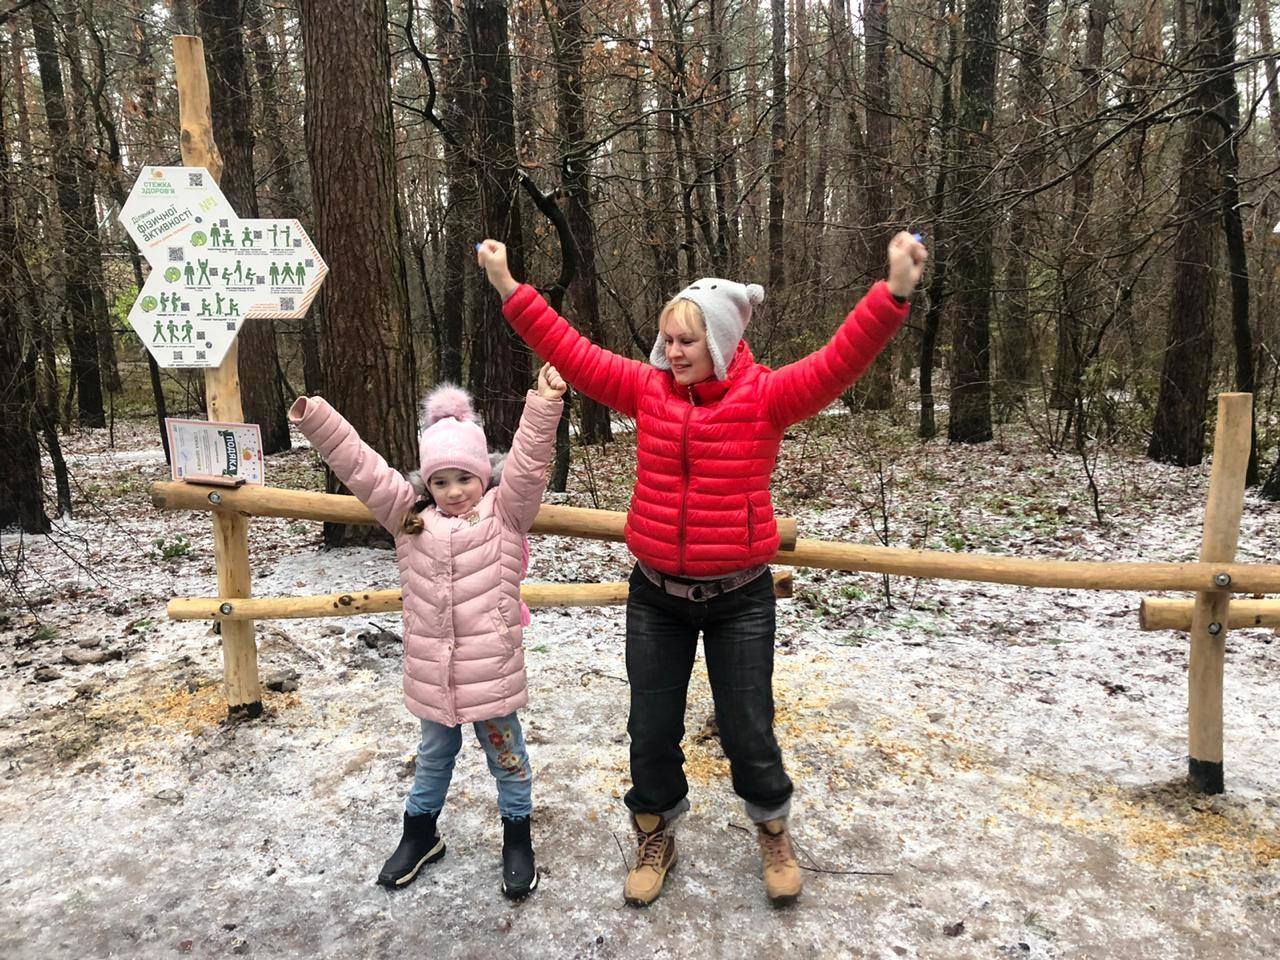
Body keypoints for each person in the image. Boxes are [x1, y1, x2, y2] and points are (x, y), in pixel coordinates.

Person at [477, 234, 926, 907]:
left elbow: (838, 364)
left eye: (686, 340)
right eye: (667, 339)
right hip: (655, 596)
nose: (672, 351)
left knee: (748, 724)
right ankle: (655, 830)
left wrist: (890, 296)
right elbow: (572, 350)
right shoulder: (648, 391)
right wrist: (509, 285)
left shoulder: (766, 398)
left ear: (717, 342)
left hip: (741, 597)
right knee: (650, 726)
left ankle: (772, 829)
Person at [287, 365, 567, 899]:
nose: (454, 490)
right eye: (441, 480)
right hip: (432, 677)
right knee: (434, 756)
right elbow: (361, 466)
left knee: (507, 756)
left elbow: (530, 464)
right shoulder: (408, 516)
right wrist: (315, 417)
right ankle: (420, 834)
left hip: (491, 675)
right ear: (425, 482)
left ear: (484, 474)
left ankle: (517, 837)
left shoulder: (506, 513)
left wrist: (544, 400)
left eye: (464, 477)